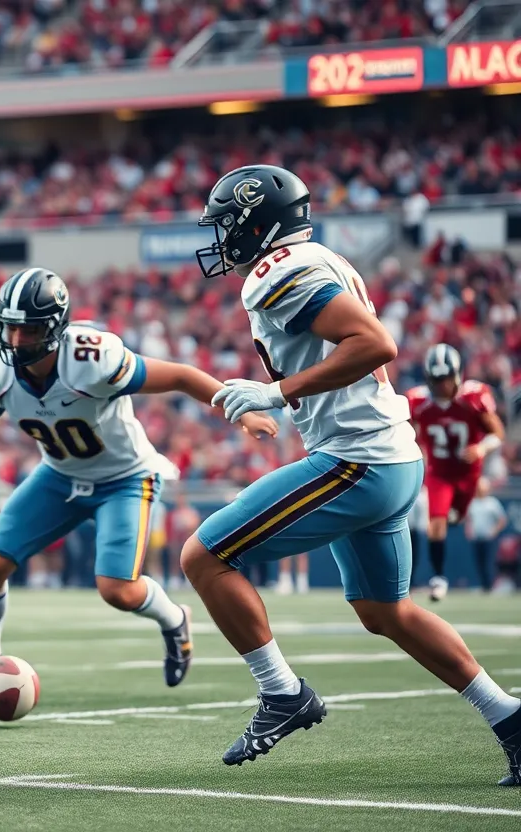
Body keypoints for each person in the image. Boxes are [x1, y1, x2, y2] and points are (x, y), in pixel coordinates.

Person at [182, 163, 520, 785]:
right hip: (388, 456)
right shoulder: (316, 259)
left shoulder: (278, 269)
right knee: (384, 610)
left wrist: (276, 393)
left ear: (260, 224)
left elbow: (374, 343)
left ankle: (281, 692)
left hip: (356, 460)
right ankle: (511, 718)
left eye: (229, 225)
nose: (223, 239)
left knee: (203, 556)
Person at [0, 267, 278, 704]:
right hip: (59, 474)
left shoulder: (91, 359)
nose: (17, 340)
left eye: (30, 330)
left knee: (117, 590)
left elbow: (179, 376)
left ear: (55, 328)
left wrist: (240, 410)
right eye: (11, 328)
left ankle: (174, 619)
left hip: (124, 478)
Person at [406, 344, 506, 601]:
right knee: (436, 523)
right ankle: (438, 578)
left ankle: (453, 518)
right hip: (439, 472)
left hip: (468, 474)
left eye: (446, 378)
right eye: (437, 379)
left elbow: (498, 433)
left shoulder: (473, 397)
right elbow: (406, 434)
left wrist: (480, 448)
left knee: (455, 518)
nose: (442, 385)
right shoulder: (417, 401)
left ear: (458, 375)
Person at [466, 478, 508, 593]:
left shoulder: (492, 503)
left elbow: (502, 520)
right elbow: (469, 519)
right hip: (476, 537)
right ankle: (483, 585)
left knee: (489, 562)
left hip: (489, 538)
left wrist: (493, 531)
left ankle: (490, 585)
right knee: (479, 562)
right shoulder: (473, 502)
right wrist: (469, 530)